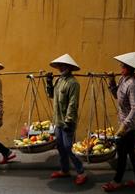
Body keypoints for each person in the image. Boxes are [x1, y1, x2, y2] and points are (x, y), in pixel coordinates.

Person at [102, 52, 135, 192]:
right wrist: (111, 81)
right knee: (131, 152)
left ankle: (117, 181)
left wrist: (125, 125)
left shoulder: (132, 84)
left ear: (130, 68)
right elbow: (116, 95)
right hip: (123, 122)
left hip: (130, 125)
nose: (121, 68)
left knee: (121, 152)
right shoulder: (123, 80)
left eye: (123, 66)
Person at [46, 54, 87, 185]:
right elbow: (51, 95)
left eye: (64, 66)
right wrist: (48, 82)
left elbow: (73, 104)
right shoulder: (58, 81)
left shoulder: (73, 83)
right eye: (60, 66)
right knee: (60, 147)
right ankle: (65, 170)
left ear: (69, 67)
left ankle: (81, 172)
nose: (61, 68)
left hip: (67, 122)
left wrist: (69, 121)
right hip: (57, 120)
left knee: (69, 147)